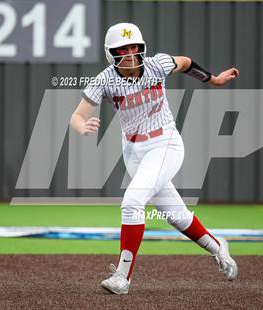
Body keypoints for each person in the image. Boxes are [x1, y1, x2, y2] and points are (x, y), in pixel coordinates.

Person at [70, 23, 239, 295]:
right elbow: (77, 116)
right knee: (176, 215)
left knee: (132, 202)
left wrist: (214, 80)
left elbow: (185, 63)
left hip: (165, 144)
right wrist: (82, 126)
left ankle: (123, 277)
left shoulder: (156, 64)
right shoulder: (104, 79)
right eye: (122, 49)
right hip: (134, 153)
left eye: (134, 47)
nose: (130, 54)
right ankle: (219, 247)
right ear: (110, 53)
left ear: (141, 48)